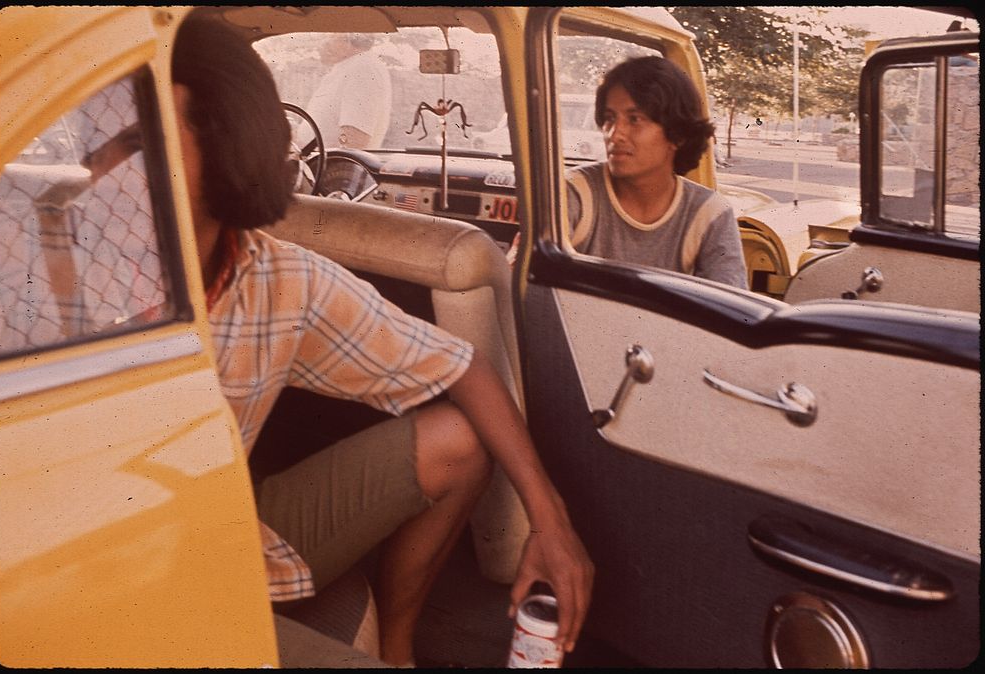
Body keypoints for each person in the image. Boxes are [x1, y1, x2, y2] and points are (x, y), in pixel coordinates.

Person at [171, 12, 592, 667]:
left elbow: (463, 367)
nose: (102, 161)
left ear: (227, 146)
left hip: (230, 530)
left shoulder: (281, 279)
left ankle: (398, 646)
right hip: (117, 581)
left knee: (459, 438)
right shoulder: (51, 267)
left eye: (141, 134)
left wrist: (551, 521)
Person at [566, 56, 748, 288]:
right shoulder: (574, 193)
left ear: (677, 135)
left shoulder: (709, 214)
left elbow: (730, 311)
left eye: (635, 119)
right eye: (610, 119)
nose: (614, 134)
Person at [304, 33, 391, 149]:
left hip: (331, 166)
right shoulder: (348, 67)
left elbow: (354, 141)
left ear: (348, 38)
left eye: (330, 35)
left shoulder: (362, 67)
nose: (322, 42)